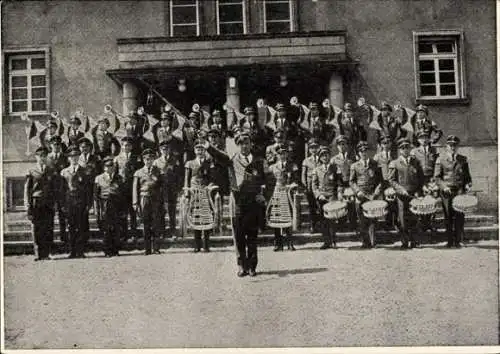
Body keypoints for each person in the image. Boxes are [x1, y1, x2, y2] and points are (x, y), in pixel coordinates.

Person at [229, 132, 271, 277]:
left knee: (252, 236)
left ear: (251, 144)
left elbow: (270, 180)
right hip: (238, 203)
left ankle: (252, 266)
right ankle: (242, 266)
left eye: (247, 143)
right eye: (241, 144)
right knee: (239, 236)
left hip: (254, 203)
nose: (244, 146)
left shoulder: (259, 161)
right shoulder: (232, 160)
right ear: (237, 145)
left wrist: (263, 195)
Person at [434, 135, 472, 248]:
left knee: (460, 216)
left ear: (458, 146)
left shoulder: (463, 159)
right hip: (446, 192)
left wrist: (468, 184)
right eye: (450, 145)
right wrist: (443, 186)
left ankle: (458, 240)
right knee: (448, 216)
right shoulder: (440, 159)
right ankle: (450, 241)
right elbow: (437, 177)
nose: (452, 147)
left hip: (459, 191)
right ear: (447, 146)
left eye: (455, 145)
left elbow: (468, 177)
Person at [388, 139, 425, 249]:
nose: (405, 150)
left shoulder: (416, 162)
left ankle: (414, 241)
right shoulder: (395, 163)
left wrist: (419, 191)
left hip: (414, 194)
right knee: (402, 219)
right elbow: (391, 180)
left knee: (414, 217)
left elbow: (421, 178)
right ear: (400, 150)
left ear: (410, 149)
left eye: (407, 148)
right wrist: (400, 189)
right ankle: (404, 241)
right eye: (402, 148)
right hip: (402, 195)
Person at [24, 147, 57, 261]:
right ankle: (38, 254)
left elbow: (54, 189)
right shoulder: (31, 171)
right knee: (37, 228)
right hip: (36, 202)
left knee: (48, 228)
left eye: (44, 156)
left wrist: (55, 203)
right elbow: (27, 190)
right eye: (40, 156)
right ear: (36, 157)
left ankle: (47, 253)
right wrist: (28, 206)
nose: (42, 158)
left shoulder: (51, 170)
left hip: (48, 203)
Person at [184, 139, 217, 252]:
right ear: (194, 150)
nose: (200, 151)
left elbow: (213, 178)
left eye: (202, 149)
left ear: (205, 150)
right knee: (196, 218)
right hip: (194, 193)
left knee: (206, 218)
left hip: (205, 192)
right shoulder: (190, 163)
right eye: (198, 149)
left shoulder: (210, 162)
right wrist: (187, 193)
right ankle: (197, 246)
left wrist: (210, 187)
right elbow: (186, 180)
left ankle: (206, 245)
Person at [349, 141, 383, 248]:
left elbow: (380, 181)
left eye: (365, 151)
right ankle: (365, 241)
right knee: (362, 219)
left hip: (372, 194)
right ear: (358, 153)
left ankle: (373, 241)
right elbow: (351, 181)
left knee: (373, 218)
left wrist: (376, 193)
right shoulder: (354, 165)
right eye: (361, 151)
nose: (364, 153)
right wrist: (357, 191)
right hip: (360, 195)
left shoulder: (375, 164)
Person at [60, 146, 91, 258]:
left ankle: (81, 251)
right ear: (69, 158)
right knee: (71, 227)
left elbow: (88, 189)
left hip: (81, 202)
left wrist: (88, 204)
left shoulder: (85, 171)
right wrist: (62, 204)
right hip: (69, 203)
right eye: (72, 157)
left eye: (76, 156)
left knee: (81, 226)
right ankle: (72, 251)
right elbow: (62, 190)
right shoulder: (64, 172)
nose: (74, 159)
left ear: (79, 157)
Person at [268, 144, 299, 251]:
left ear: (287, 154)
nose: (282, 155)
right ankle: (278, 243)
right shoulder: (272, 167)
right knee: (276, 218)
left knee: (288, 218)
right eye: (280, 153)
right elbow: (269, 181)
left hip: (287, 194)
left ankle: (290, 242)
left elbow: (296, 179)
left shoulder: (293, 166)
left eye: (284, 153)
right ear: (277, 155)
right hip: (276, 194)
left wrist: (292, 185)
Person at [133, 149, 163, 255]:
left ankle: (156, 248)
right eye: (146, 159)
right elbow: (135, 189)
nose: (148, 161)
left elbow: (161, 187)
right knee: (145, 223)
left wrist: (161, 201)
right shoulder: (138, 172)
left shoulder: (158, 171)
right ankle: (147, 248)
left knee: (155, 223)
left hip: (155, 199)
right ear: (143, 160)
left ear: (153, 160)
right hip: (144, 198)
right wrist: (135, 203)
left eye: (150, 159)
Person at [94, 156, 126, 257]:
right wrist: (97, 210)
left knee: (116, 228)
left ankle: (115, 250)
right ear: (104, 167)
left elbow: (123, 194)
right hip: (104, 204)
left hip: (116, 204)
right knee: (106, 229)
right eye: (107, 166)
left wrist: (123, 209)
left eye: (112, 166)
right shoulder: (99, 178)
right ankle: (107, 251)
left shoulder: (119, 178)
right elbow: (95, 196)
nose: (110, 168)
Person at [312, 146, 343, 249]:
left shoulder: (335, 168)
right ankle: (326, 241)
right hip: (322, 198)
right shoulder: (316, 170)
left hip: (332, 196)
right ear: (320, 158)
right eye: (322, 156)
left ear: (329, 156)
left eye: (326, 155)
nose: (325, 157)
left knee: (332, 220)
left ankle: (334, 241)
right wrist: (318, 195)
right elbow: (314, 185)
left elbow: (339, 182)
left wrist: (339, 192)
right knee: (323, 220)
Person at [153, 139, 184, 239]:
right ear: (160, 150)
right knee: (161, 210)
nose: (165, 151)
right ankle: (162, 231)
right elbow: (154, 176)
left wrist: (179, 188)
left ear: (169, 150)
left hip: (172, 189)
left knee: (172, 211)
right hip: (161, 189)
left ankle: (172, 231)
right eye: (163, 149)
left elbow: (179, 175)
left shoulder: (175, 160)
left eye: (166, 149)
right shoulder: (156, 162)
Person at [114, 136, 142, 241]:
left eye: (129, 145)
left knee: (133, 211)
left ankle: (134, 233)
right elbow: (115, 174)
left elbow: (139, 172)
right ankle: (124, 234)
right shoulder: (117, 158)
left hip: (133, 187)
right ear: (121, 146)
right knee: (123, 212)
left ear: (132, 146)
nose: (127, 147)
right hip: (122, 188)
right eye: (125, 145)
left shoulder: (136, 157)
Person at [331, 135, 357, 231]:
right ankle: (342, 225)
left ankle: (353, 226)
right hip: (340, 186)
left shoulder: (352, 158)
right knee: (341, 205)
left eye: (344, 144)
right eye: (340, 144)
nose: (342, 146)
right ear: (337, 146)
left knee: (352, 206)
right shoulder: (334, 160)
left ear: (347, 145)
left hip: (350, 184)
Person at [78, 137, 101, 243]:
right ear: (79, 148)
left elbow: (100, 172)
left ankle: (101, 232)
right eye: (82, 147)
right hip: (82, 189)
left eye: (87, 147)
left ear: (90, 148)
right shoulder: (77, 159)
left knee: (98, 210)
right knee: (83, 212)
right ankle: (85, 236)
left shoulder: (96, 158)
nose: (84, 149)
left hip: (94, 187)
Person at [47, 135, 69, 243]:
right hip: (50, 191)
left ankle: (63, 237)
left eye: (58, 145)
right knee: (50, 215)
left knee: (63, 214)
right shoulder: (46, 158)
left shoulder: (65, 158)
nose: (56, 146)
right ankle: (50, 239)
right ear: (50, 145)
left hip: (62, 190)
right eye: (54, 145)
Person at [373, 135, 397, 230]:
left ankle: (393, 222)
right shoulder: (377, 157)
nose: (386, 145)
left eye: (388, 143)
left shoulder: (394, 155)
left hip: (392, 181)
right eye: (384, 143)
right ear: (381, 145)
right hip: (382, 181)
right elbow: (374, 170)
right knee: (384, 202)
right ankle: (385, 223)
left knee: (393, 202)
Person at [301, 138, 321, 232]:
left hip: (320, 187)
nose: (314, 150)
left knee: (320, 206)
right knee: (312, 207)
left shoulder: (322, 159)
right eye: (312, 148)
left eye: (315, 147)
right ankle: (313, 225)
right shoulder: (306, 161)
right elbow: (303, 175)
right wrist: (305, 186)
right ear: (309, 149)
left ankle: (321, 225)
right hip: (310, 187)